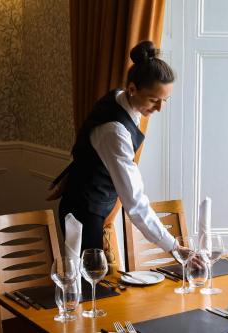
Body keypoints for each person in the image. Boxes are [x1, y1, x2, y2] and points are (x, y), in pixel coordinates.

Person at [58, 40, 177, 254]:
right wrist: (174, 247)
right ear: (132, 89)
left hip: (93, 203)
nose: (159, 108)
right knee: (88, 283)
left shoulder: (121, 98)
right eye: (153, 100)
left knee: (93, 281)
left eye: (164, 101)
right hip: (84, 211)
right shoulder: (114, 131)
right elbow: (135, 201)